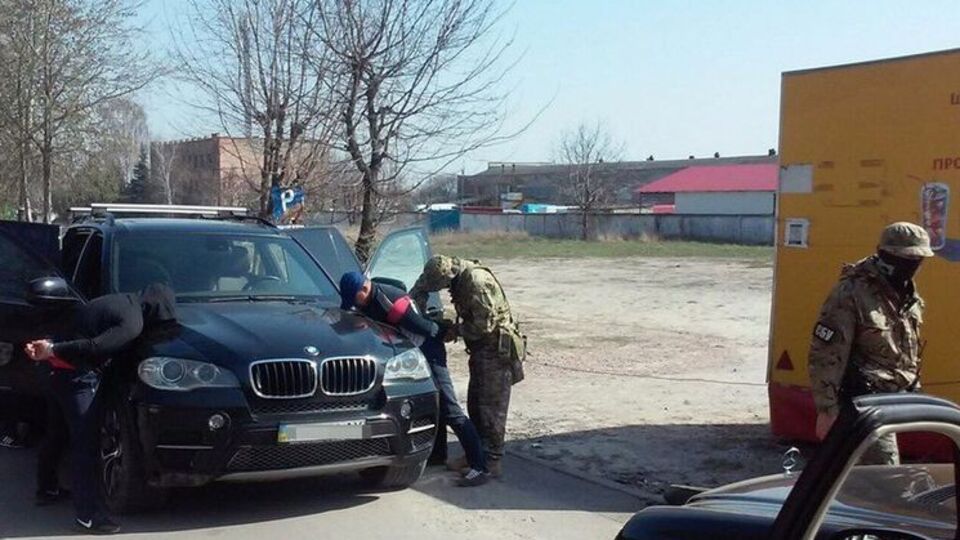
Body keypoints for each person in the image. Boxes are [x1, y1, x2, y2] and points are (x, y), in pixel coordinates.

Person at [25, 283, 177, 534]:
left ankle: (47, 489)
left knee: (58, 432)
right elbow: (96, 346)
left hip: (53, 371)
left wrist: (52, 349)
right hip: (73, 375)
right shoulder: (133, 323)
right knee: (86, 446)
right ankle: (89, 515)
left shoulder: (119, 299)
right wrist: (52, 349)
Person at [339, 272, 490, 487]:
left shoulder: (390, 302)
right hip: (415, 354)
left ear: (364, 290)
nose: (355, 305)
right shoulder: (370, 298)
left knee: (450, 409)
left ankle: (479, 466)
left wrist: (448, 331)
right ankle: (437, 456)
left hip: (429, 351)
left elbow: (426, 328)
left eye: (355, 300)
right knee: (433, 403)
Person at [808, 222, 933, 465]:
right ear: (884, 254)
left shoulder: (907, 295)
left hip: (895, 399)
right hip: (863, 403)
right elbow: (826, 353)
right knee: (885, 475)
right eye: (906, 258)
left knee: (863, 479)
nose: (913, 265)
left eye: (919, 258)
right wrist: (826, 409)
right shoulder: (851, 293)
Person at [409, 256, 525, 479]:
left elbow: (484, 325)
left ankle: (492, 460)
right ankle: (476, 453)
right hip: (481, 351)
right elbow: (421, 287)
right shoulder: (450, 272)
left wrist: (454, 331)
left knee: (491, 408)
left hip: (495, 351)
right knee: (475, 404)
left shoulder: (476, 281)